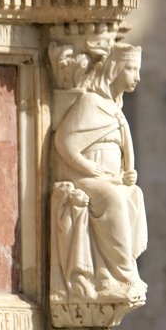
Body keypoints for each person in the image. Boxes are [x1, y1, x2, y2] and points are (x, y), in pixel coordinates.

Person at [52, 42, 147, 304]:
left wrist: (127, 174)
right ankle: (123, 275)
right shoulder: (90, 102)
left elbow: (122, 152)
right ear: (115, 69)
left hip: (108, 178)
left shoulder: (116, 110)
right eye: (131, 69)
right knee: (113, 199)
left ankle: (106, 275)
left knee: (132, 195)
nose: (137, 77)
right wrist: (89, 167)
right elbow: (64, 142)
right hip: (84, 177)